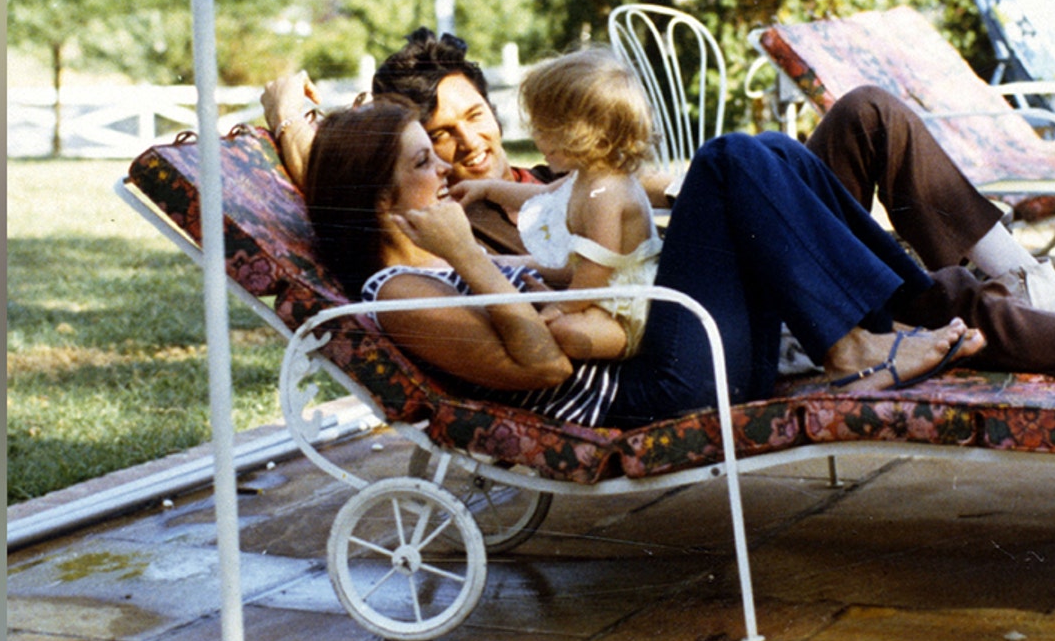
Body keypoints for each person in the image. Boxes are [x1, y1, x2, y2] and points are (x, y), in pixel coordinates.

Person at [266, 29, 1055, 387]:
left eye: (475, 120)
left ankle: (1024, 286)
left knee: (864, 115)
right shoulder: (438, 239)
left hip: (706, 287)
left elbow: (636, 204)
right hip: (688, 331)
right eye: (434, 146)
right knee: (739, 164)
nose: (465, 150)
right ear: (394, 179)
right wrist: (286, 115)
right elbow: (343, 187)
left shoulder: (520, 184)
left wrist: (665, 189)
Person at [303, 99, 978, 428]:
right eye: (425, 160)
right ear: (379, 200)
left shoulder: (433, 267)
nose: (446, 165)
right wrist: (467, 253)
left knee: (766, 149)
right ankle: (857, 343)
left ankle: (909, 304)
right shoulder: (400, 295)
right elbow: (544, 365)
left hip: (674, 358)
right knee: (725, 162)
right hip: (657, 394)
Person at [451, 48, 663, 361]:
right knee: (546, 315)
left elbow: (597, 267)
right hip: (595, 291)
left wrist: (561, 305)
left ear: (584, 134)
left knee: (564, 332)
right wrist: (486, 190)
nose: (535, 138)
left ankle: (635, 349)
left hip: (626, 305)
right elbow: (542, 196)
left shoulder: (607, 192)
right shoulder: (586, 176)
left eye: (543, 129)